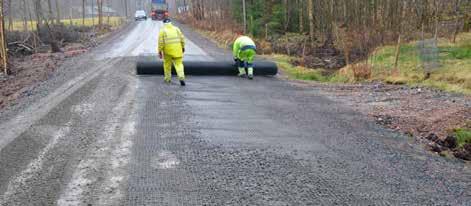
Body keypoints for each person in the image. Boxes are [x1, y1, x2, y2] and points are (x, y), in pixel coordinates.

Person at [158, 18, 186, 86]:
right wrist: (183, 47)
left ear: (164, 23)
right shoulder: (176, 29)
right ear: (171, 23)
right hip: (177, 51)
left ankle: (168, 78)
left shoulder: (162, 31)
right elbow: (182, 38)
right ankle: (181, 77)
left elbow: (160, 43)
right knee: (179, 64)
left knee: (167, 65)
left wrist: (160, 51)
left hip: (167, 52)